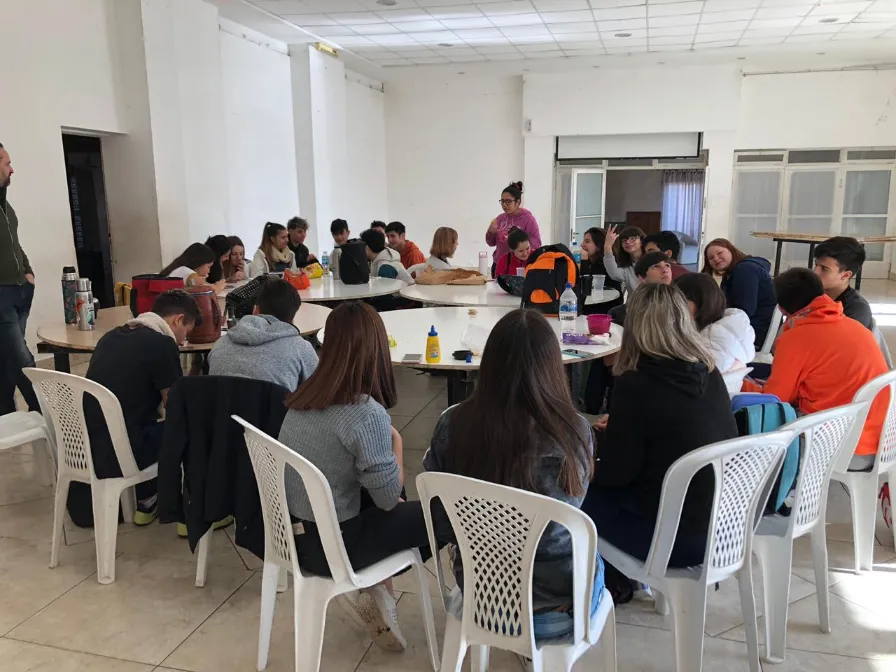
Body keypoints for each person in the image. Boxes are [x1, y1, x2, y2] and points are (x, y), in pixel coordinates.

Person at [424, 308, 603, 640]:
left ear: (490, 363)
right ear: (553, 366)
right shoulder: (573, 430)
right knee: (595, 550)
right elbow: (567, 516)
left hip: (482, 597)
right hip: (556, 611)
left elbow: (439, 516)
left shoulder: (453, 423)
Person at [279, 301, 430, 652]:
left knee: (375, 495)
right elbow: (389, 499)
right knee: (443, 514)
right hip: (335, 549)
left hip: (293, 536)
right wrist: (397, 443)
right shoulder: (365, 414)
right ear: (376, 350)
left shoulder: (301, 399)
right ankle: (385, 589)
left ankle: (381, 592)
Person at [583, 283, 738, 601]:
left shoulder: (635, 383)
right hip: (725, 531)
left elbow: (616, 475)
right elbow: (677, 424)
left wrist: (581, 462)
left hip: (674, 541)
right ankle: (619, 579)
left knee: (571, 494)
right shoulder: (709, 372)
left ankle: (604, 585)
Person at [742, 268, 889, 471]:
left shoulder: (797, 338)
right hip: (883, 442)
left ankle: (781, 492)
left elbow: (775, 398)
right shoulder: (852, 325)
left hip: (848, 449)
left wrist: (737, 383)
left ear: (783, 311)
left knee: (755, 421)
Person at [85, 290, 201, 524]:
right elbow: (175, 406)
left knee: (149, 422)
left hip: (90, 444)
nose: (183, 341)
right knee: (194, 428)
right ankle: (186, 507)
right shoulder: (162, 344)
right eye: (185, 332)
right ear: (177, 319)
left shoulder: (111, 336)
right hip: (125, 449)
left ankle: (148, 498)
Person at [208, 278, 318, 391]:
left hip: (221, 408)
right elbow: (318, 391)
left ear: (255, 310)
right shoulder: (301, 348)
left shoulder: (220, 345)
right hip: (275, 408)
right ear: (293, 314)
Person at [0, 141, 39, 416]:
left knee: (7, 358)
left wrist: (28, 271)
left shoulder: (5, 204)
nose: (11, 169)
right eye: (6, 163)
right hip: (1, 295)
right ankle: (48, 412)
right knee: (21, 358)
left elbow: (14, 241)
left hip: (21, 290)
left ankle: (5, 414)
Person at [674, 272, 756, 378]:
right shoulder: (729, 331)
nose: (674, 308)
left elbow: (688, 382)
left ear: (701, 301)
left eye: (680, 301)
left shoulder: (712, 344)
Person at [702, 238, 777, 349]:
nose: (716, 259)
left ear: (731, 250)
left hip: (755, 333)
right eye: (711, 258)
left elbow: (744, 311)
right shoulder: (735, 272)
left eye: (719, 253)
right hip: (753, 329)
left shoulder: (745, 270)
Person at [813, 236, 873, 330]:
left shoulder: (856, 310)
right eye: (816, 265)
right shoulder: (810, 296)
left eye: (824, 269)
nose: (815, 272)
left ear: (845, 275)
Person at [607, 251, 672, 327]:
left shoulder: (679, 297)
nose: (665, 270)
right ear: (642, 277)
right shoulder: (621, 313)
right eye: (656, 266)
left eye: (667, 265)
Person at [486, 181, 542, 269]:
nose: (504, 205)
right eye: (502, 201)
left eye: (508, 201)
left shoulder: (528, 219)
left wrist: (519, 244)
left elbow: (537, 244)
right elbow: (491, 243)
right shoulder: (500, 219)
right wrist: (490, 233)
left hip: (518, 266)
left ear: (517, 202)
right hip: (499, 264)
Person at [160, 243, 225, 292]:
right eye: (209, 267)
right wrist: (219, 287)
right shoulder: (187, 272)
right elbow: (206, 293)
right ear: (200, 263)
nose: (209, 271)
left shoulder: (181, 269)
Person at [603, 225, 645, 293]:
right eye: (624, 240)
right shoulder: (627, 266)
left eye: (633, 238)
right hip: (634, 303)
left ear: (642, 241)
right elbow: (614, 274)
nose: (628, 242)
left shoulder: (651, 260)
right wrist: (607, 246)